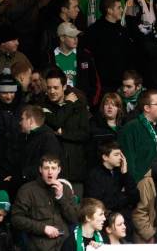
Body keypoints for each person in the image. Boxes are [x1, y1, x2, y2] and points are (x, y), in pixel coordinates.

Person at [42, 69, 90, 197]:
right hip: (53, 172)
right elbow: (56, 122)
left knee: (75, 211)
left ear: (64, 87)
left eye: (56, 87)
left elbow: (85, 134)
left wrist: (63, 133)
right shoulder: (42, 105)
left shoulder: (79, 107)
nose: (52, 91)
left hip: (76, 172)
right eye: (49, 88)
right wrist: (68, 103)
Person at [82, 0, 134, 92]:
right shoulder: (94, 31)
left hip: (122, 81)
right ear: (109, 10)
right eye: (119, 7)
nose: (122, 10)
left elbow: (129, 53)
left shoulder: (123, 31)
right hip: (102, 83)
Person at [84, 141, 139, 234]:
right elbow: (99, 204)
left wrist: (125, 174)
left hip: (124, 224)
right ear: (105, 157)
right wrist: (124, 197)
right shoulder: (94, 175)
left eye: (121, 155)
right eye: (116, 155)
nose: (120, 158)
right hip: (105, 226)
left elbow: (135, 197)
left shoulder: (121, 172)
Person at [118, 89, 157, 183]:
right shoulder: (131, 128)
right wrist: (132, 185)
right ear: (147, 108)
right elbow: (129, 160)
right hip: (141, 182)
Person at [47, 22, 101, 107]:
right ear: (62, 38)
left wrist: (89, 104)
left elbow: (96, 83)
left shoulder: (85, 56)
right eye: (72, 36)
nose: (76, 39)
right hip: (56, 107)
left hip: (81, 106)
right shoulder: (49, 57)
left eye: (77, 36)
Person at [19, 104, 63, 183]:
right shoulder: (29, 136)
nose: (20, 122)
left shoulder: (48, 138)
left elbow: (50, 164)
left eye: (22, 119)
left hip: (39, 188)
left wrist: (23, 174)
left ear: (31, 121)